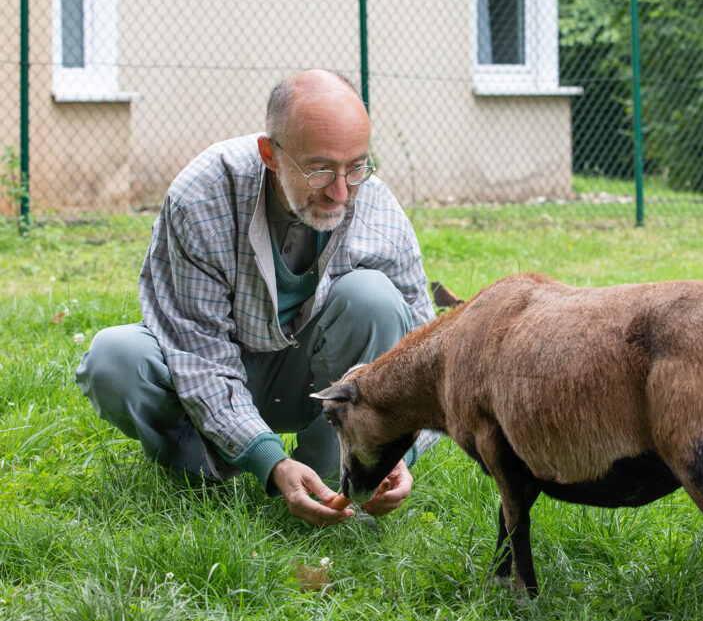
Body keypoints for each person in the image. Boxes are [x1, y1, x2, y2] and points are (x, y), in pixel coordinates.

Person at [75, 69, 437, 526]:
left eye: (356, 166)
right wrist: (270, 460)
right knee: (115, 360)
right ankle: (203, 480)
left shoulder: (378, 209)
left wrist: (396, 449)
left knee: (376, 300)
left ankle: (331, 480)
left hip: (314, 381)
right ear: (270, 153)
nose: (341, 191)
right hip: (212, 372)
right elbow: (199, 357)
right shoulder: (201, 198)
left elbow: (425, 359)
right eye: (319, 168)